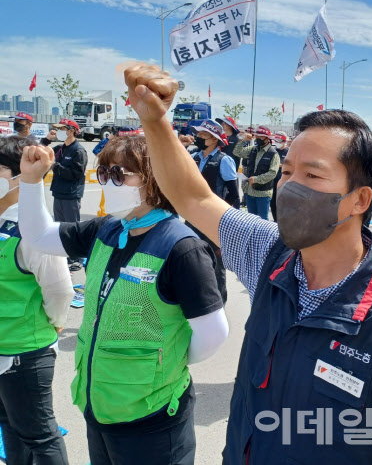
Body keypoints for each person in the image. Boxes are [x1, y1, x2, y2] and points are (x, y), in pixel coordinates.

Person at [123, 63, 372, 464]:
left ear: (360, 200)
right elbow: (194, 198)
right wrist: (156, 121)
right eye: (287, 172)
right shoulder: (270, 253)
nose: (290, 186)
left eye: (312, 175)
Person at [18, 135, 229, 465]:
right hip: (100, 405)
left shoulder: (182, 248)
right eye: (103, 174)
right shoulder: (108, 229)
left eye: (119, 174)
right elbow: (40, 236)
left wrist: (165, 362)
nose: (109, 183)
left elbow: (213, 332)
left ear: (154, 176)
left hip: (152, 416)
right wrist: (31, 183)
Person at [0, 136, 73, 465]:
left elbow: (59, 290)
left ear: (19, 176)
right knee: (9, 426)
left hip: (24, 353)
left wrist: (56, 323)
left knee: (40, 435)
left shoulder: (31, 231)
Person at [190, 118, 239, 306]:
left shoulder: (224, 160)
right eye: (198, 134)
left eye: (203, 134)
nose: (198, 137)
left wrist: (227, 222)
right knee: (194, 259)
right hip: (193, 217)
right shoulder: (194, 157)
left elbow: (233, 195)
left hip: (215, 220)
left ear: (214, 139)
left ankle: (218, 304)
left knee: (216, 264)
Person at [46, 119, 88, 271]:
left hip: (71, 194)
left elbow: (75, 174)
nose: (59, 132)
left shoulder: (79, 151)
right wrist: (46, 140)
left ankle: (76, 259)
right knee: (59, 226)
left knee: (72, 227)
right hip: (58, 192)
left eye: (62, 129)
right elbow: (41, 149)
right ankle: (63, 255)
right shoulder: (59, 148)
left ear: (71, 131)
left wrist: (55, 166)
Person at [234, 126, 279, 220]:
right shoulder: (252, 149)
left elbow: (272, 173)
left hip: (263, 193)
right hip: (250, 191)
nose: (258, 139)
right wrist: (243, 140)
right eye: (257, 136)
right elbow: (237, 152)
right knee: (251, 219)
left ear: (267, 139)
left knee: (263, 220)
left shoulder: (273, 154)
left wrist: (256, 179)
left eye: (261, 137)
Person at [270, 131, 289, 221]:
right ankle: (275, 221)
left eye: (279, 140)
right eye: (276, 140)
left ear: (284, 141)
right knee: (273, 203)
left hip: (285, 183)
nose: (277, 142)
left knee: (283, 204)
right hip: (273, 181)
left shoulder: (289, 152)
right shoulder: (273, 151)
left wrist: (282, 165)